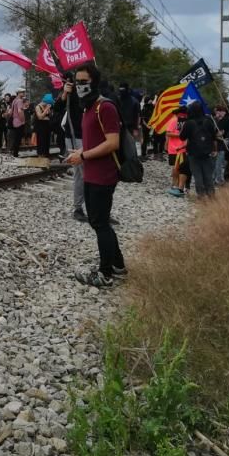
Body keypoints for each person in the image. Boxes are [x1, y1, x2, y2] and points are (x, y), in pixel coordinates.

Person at [67, 62, 126, 288]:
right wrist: (81, 152)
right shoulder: (88, 108)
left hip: (103, 176)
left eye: (84, 82)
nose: (80, 86)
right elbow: (96, 141)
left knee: (100, 223)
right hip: (91, 174)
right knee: (99, 222)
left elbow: (112, 143)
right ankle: (118, 265)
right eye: (77, 82)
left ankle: (105, 273)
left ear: (95, 82)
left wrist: (83, 156)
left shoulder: (105, 107)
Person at [54, 75, 87, 221]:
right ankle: (78, 207)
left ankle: (96, 207)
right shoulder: (70, 91)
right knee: (80, 172)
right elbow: (57, 107)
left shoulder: (93, 91)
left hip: (89, 135)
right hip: (74, 135)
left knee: (89, 172)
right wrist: (65, 92)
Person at [180, 101, 218, 198]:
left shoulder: (189, 123)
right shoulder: (208, 121)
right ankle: (211, 195)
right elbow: (214, 137)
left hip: (193, 153)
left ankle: (201, 196)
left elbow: (182, 137)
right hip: (207, 152)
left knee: (197, 175)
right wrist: (214, 149)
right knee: (208, 175)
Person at [165, 107, 191, 197]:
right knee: (176, 168)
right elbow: (168, 133)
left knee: (182, 168)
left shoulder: (188, 122)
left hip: (184, 148)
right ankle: (175, 185)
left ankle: (180, 186)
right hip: (174, 148)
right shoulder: (174, 120)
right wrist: (179, 135)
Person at [34, 94, 54, 159]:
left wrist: (49, 110)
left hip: (47, 126)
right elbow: (40, 117)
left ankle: (46, 154)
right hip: (40, 126)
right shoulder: (38, 107)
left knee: (47, 141)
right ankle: (40, 154)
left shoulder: (47, 106)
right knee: (41, 141)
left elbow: (50, 116)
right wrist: (46, 109)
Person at [9, 89, 27, 157]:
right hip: (19, 121)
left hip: (14, 120)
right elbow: (20, 111)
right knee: (18, 138)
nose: (24, 93)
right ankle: (15, 153)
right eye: (23, 92)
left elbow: (11, 112)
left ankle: (14, 152)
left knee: (15, 137)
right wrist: (23, 120)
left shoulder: (14, 100)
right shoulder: (19, 101)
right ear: (19, 93)